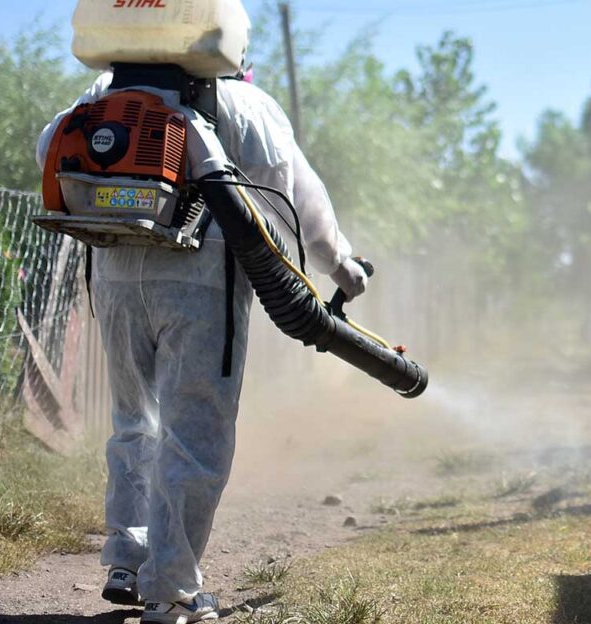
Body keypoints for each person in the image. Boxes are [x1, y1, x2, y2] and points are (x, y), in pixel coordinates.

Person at [35, 8, 367, 623]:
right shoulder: (244, 106)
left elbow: (48, 149)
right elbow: (295, 200)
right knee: (194, 432)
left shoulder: (102, 93)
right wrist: (341, 266)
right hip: (198, 283)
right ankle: (174, 590)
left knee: (134, 420)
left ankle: (126, 558)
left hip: (113, 274)